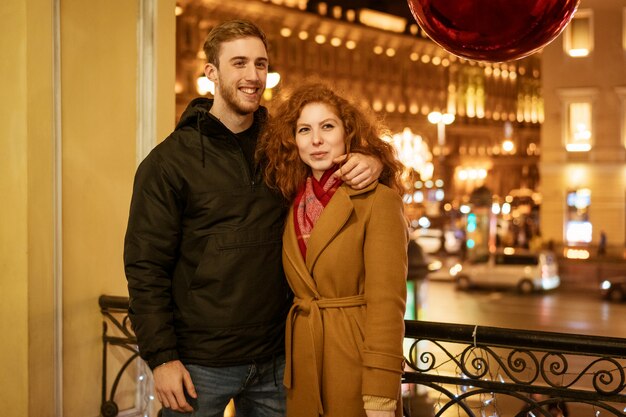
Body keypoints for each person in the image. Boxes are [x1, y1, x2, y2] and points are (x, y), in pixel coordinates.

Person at [124, 20, 382, 417]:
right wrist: (161, 358)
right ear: (211, 72)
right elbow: (146, 268)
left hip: (279, 361)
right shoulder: (168, 162)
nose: (252, 76)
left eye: (260, 64)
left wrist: (371, 160)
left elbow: (329, 159)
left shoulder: (282, 146)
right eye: (239, 63)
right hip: (198, 366)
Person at [257, 82, 408, 417]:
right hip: (302, 369)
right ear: (292, 141)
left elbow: (388, 303)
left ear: (347, 133)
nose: (316, 140)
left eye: (327, 126)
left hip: (354, 363)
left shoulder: (378, 201)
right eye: (304, 130)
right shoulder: (288, 200)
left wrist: (381, 392)